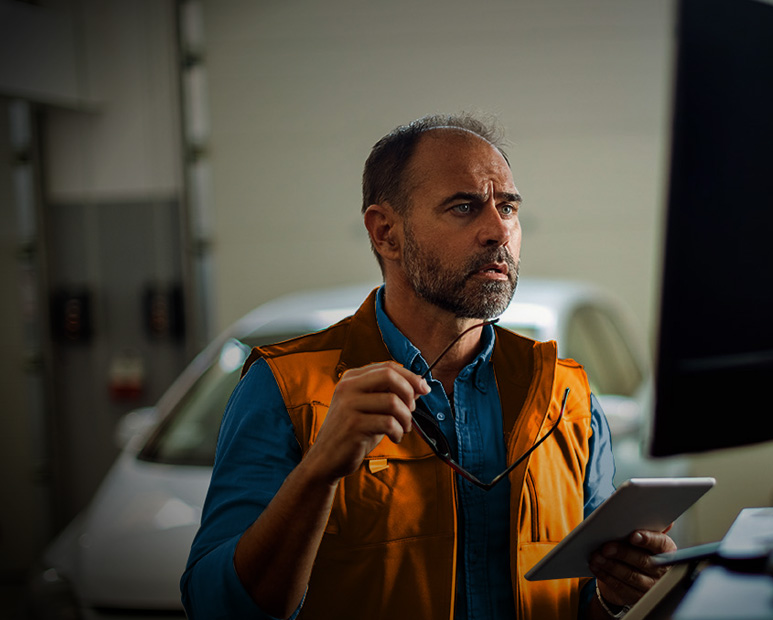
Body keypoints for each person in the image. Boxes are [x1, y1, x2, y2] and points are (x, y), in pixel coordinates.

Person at [180, 113, 676, 620]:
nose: (497, 230)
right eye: (464, 207)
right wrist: (318, 473)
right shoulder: (285, 389)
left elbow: (581, 605)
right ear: (385, 233)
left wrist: (616, 595)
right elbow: (216, 607)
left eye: (508, 207)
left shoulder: (564, 393)